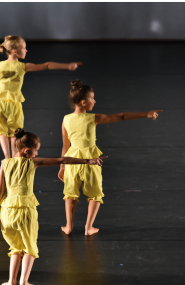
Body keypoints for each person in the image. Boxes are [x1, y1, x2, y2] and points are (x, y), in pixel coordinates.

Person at [0, 128, 106, 285]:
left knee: (16, 247)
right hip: (25, 211)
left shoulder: (4, 163)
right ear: (27, 150)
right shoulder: (32, 162)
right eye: (36, 151)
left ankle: (10, 282)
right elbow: (62, 159)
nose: (37, 154)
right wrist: (88, 161)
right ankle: (24, 283)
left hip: (6, 212)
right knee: (30, 248)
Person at [59, 80, 162, 236]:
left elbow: (65, 146)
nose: (95, 101)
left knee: (70, 193)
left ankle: (69, 226)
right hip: (90, 159)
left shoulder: (66, 119)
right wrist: (146, 114)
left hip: (72, 159)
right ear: (84, 102)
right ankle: (88, 227)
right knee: (95, 194)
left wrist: (62, 166)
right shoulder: (92, 118)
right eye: (92, 98)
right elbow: (120, 116)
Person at [0, 35, 82, 158]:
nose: (26, 50)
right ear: (15, 51)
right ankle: (15, 158)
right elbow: (47, 65)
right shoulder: (23, 66)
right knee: (14, 133)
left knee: (3, 132)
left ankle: (6, 157)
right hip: (12, 104)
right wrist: (67, 66)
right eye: (24, 48)